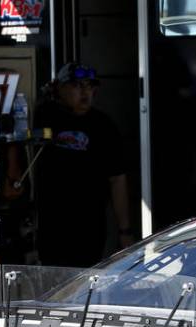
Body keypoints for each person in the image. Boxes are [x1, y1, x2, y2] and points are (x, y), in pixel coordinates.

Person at [34, 62, 133, 267]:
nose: (85, 92)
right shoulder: (43, 117)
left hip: (89, 226)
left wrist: (124, 231)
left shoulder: (103, 125)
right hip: (52, 225)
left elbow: (117, 179)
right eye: (77, 86)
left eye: (89, 86)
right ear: (60, 88)